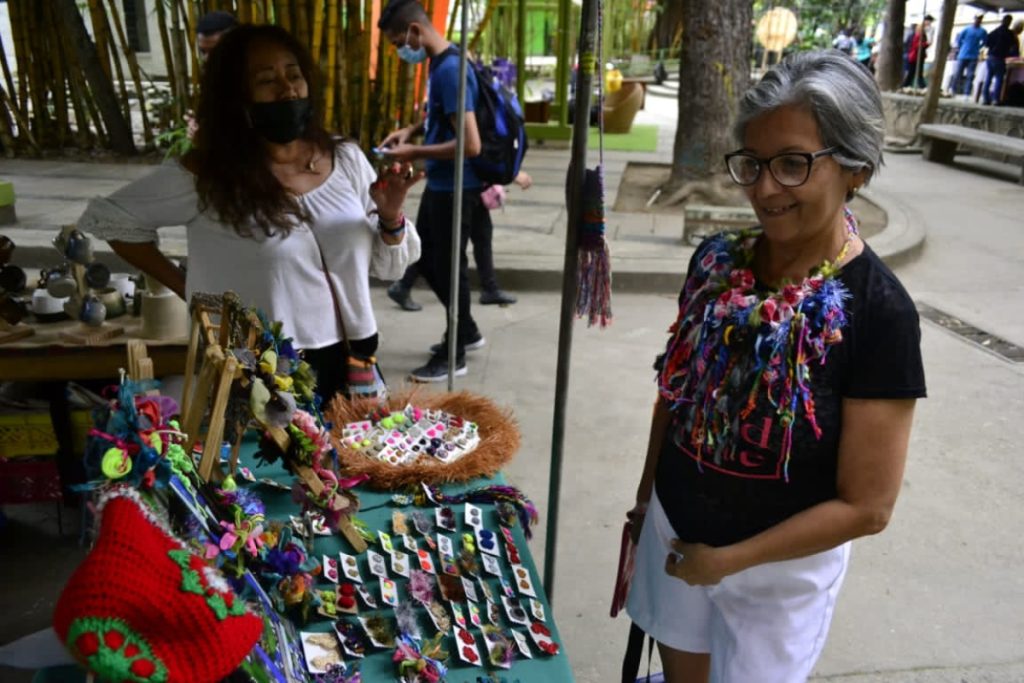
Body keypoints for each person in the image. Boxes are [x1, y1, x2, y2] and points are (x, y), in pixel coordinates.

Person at [625, 51, 925, 683]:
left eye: (793, 165)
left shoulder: (878, 311)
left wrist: (729, 561)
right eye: (754, 164)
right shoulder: (714, 263)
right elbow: (676, 392)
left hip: (776, 575)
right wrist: (647, 495)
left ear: (856, 171)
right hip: (676, 535)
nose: (764, 189)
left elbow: (868, 506)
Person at [76, 24, 421, 403]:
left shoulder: (346, 160)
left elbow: (389, 268)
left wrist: (390, 217)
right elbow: (112, 219)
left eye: (294, 75)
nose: (288, 90)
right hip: (261, 373)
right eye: (267, 81)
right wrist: (188, 289)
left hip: (354, 361)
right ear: (237, 99)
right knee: (281, 463)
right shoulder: (207, 178)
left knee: (359, 459)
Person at [377, 0, 492, 382]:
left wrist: (413, 152)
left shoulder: (450, 70)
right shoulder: (444, 63)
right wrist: (411, 131)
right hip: (443, 182)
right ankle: (468, 331)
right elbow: (443, 117)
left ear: (415, 29)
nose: (399, 50)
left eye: (398, 42)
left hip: (456, 185)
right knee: (426, 259)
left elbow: (470, 144)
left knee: (446, 267)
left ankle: (455, 351)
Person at [387, 170, 531, 312]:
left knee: (482, 236)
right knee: (438, 245)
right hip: (454, 189)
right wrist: (511, 173)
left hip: (469, 187)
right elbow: (474, 154)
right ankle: (403, 285)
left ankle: (490, 288)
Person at [983, 15, 1019, 104]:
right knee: (999, 79)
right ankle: (996, 99)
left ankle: (985, 99)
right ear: (1009, 22)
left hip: (990, 56)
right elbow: (1014, 48)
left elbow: (986, 43)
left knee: (988, 78)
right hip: (1000, 58)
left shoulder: (994, 32)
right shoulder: (1009, 34)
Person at [952, 14, 988, 97]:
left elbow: (985, 42)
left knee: (970, 75)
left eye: (980, 19)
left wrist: (978, 47)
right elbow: (959, 39)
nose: (978, 20)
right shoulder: (966, 29)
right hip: (963, 54)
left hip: (973, 56)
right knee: (958, 73)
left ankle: (966, 92)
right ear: (974, 19)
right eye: (977, 18)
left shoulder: (982, 31)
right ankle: (953, 89)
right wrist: (962, 46)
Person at [902, 15, 934, 88]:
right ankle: (921, 86)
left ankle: (906, 85)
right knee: (914, 73)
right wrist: (926, 44)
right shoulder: (919, 33)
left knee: (913, 73)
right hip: (916, 56)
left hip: (918, 55)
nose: (930, 24)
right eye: (929, 22)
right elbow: (917, 45)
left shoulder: (922, 32)